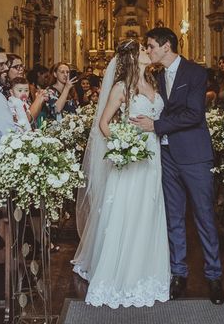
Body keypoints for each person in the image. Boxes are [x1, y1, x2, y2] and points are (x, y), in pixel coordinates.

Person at [72, 39, 169, 308]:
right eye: (144, 50)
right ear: (132, 58)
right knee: (128, 212)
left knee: (149, 211)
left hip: (154, 156)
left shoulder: (153, 83)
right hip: (132, 158)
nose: (149, 52)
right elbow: (104, 124)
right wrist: (124, 145)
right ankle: (120, 274)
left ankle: (147, 271)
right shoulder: (120, 87)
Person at [132, 27, 224, 305]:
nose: (148, 50)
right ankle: (178, 274)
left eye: (150, 46)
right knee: (173, 217)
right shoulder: (156, 75)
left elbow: (195, 114)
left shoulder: (195, 73)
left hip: (194, 154)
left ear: (166, 45)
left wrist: (156, 125)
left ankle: (214, 276)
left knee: (204, 216)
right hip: (166, 155)